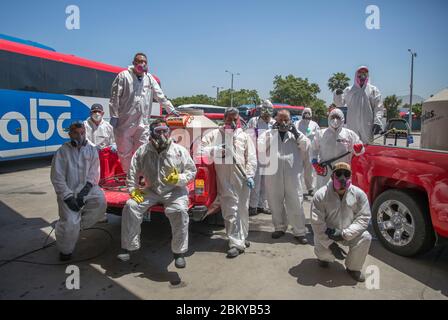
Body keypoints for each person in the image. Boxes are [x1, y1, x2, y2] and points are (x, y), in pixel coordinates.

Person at [117, 119, 196, 268]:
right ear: (151, 133)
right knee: (131, 205)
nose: (162, 135)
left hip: (175, 190)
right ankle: (129, 247)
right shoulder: (143, 151)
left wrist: (179, 178)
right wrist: (133, 190)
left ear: (169, 132)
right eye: (158, 131)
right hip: (151, 189)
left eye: (164, 131)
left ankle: (178, 253)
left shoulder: (179, 151)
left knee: (179, 212)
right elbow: (132, 172)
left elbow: (191, 171)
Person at [201, 107, 257, 258]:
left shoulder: (244, 136)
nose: (232, 122)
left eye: (235, 119)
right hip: (225, 178)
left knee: (242, 209)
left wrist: (250, 175)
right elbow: (200, 151)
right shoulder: (214, 135)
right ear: (224, 118)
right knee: (230, 209)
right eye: (229, 118)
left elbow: (251, 157)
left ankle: (242, 237)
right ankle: (234, 243)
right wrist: (216, 150)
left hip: (243, 177)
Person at [108, 52, 179, 173]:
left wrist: (170, 108)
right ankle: (129, 176)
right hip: (125, 122)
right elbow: (115, 97)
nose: (142, 64)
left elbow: (159, 95)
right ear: (134, 63)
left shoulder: (149, 78)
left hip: (142, 122)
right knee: (124, 152)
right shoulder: (124, 76)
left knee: (141, 150)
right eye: (139, 61)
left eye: (144, 62)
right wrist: (114, 115)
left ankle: (139, 176)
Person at [50, 122, 107, 261]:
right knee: (69, 222)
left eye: (82, 133)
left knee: (100, 202)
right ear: (70, 135)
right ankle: (65, 251)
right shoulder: (62, 151)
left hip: (87, 188)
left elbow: (94, 172)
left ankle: (79, 226)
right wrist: (68, 196)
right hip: (68, 190)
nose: (80, 136)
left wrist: (85, 190)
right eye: (76, 133)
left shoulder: (92, 149)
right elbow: (57, 177)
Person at [310, 162, 372, 282]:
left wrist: (345, 233)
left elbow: (364, 218)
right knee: (325, 254)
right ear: (332, 177)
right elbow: (317, 223)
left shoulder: (359, 194)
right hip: (328, 234)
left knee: (365, 237)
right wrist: (330, 244)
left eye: (346, 174)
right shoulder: (320, 195)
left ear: (350, 177)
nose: (343, 178)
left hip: (348, 233)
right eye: (338, 174)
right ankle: (324, 258)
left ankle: (353, 268)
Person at [259, 109, 310, 244]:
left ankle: (299, 231)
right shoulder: (268, 134)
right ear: (275, 120)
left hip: (292, 174)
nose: (283, 122)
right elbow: (260, 147)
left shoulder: (296, 134)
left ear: (290, 120)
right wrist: (273, 133)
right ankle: (279, 227)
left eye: (286, 119)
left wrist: (296, 133)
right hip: (273, 173)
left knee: (296, 201)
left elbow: (306, 146)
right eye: (280, 119)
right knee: (275, 202)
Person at [312, 108, 365, 190]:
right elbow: (313, 149)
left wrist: (359, 149)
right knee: (324, 195)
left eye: (338, 117)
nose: (335, 120)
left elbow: (360, 148)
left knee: (342, 196)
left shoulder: (350, 134)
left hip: (343, 171)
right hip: (325, 170)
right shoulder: (321, 133)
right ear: (329, 118)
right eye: (333, 117)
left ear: (342, 119)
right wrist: (314, 162)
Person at [333, 66, 384, 143]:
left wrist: (377, 122)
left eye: (365, 73)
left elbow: (378, 108)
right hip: (352, 125)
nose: (362, 75)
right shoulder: (349, 90)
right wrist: (338, 95)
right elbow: (340, 103)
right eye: (360, 73)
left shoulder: (373, 90)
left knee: (367, 147)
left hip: (367, 126)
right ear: (356, 75)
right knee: (352, 147)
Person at [246, 99, 276, 216]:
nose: (266, 112)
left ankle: (262, 205)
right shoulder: (253, 121)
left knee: (267, 183)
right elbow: (248, 136)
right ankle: (252, 206)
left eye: (269, 110)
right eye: (264, 109)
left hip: (270, 156)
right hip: (256, 155)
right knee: (256, 181)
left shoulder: (274, 123)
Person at [295, 107, 320, 197]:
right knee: (298, 169)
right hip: (299, 149)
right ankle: (298, 188)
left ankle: (310, 188)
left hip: (310, 150)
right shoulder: (297, 123)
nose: (306, 115)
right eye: (305, 113)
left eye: (308, 113)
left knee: (309, 170)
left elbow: (318, 137)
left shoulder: (314, 125)